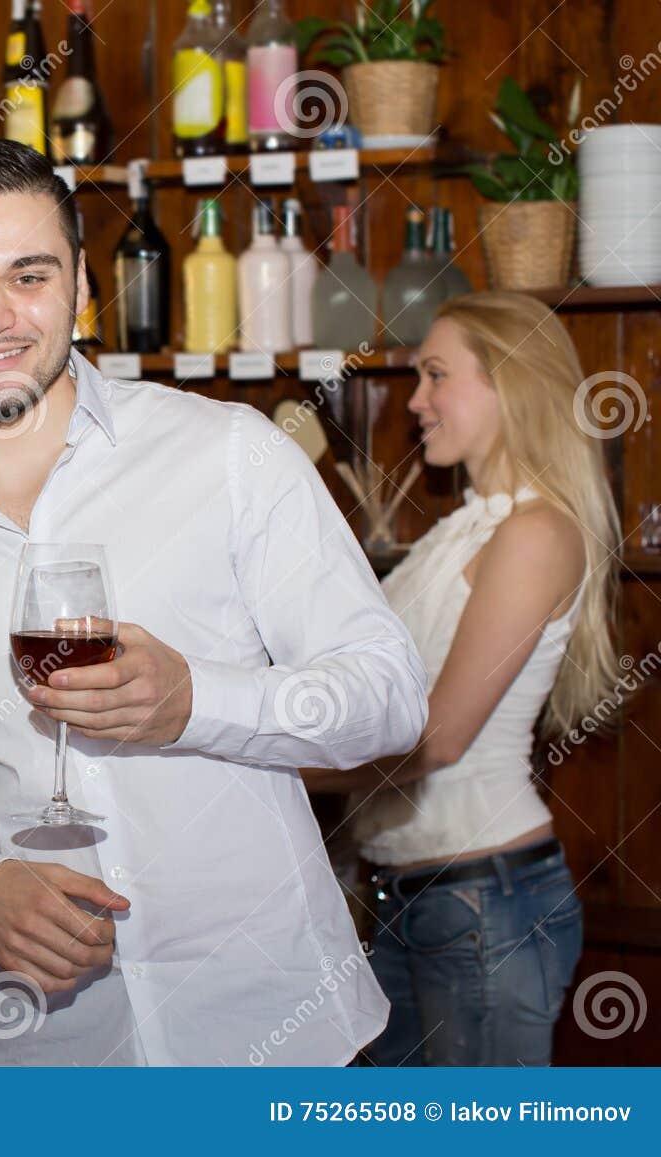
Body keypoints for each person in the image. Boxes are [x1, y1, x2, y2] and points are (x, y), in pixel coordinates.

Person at [0, 138, 428, 1067]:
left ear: (82, 287)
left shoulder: (229, 454)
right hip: (53, 1052)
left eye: (28, 275)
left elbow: (389, 696)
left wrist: (197, 701)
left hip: (285, 1037)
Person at [303, 293, 617, 1066]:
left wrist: (273, 766)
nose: (415, 402)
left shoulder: (536, 532)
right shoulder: (465, 525)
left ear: (507, 383)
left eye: (436, 376)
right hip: (415, 897)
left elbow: (437, 741)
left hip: (482, 901)